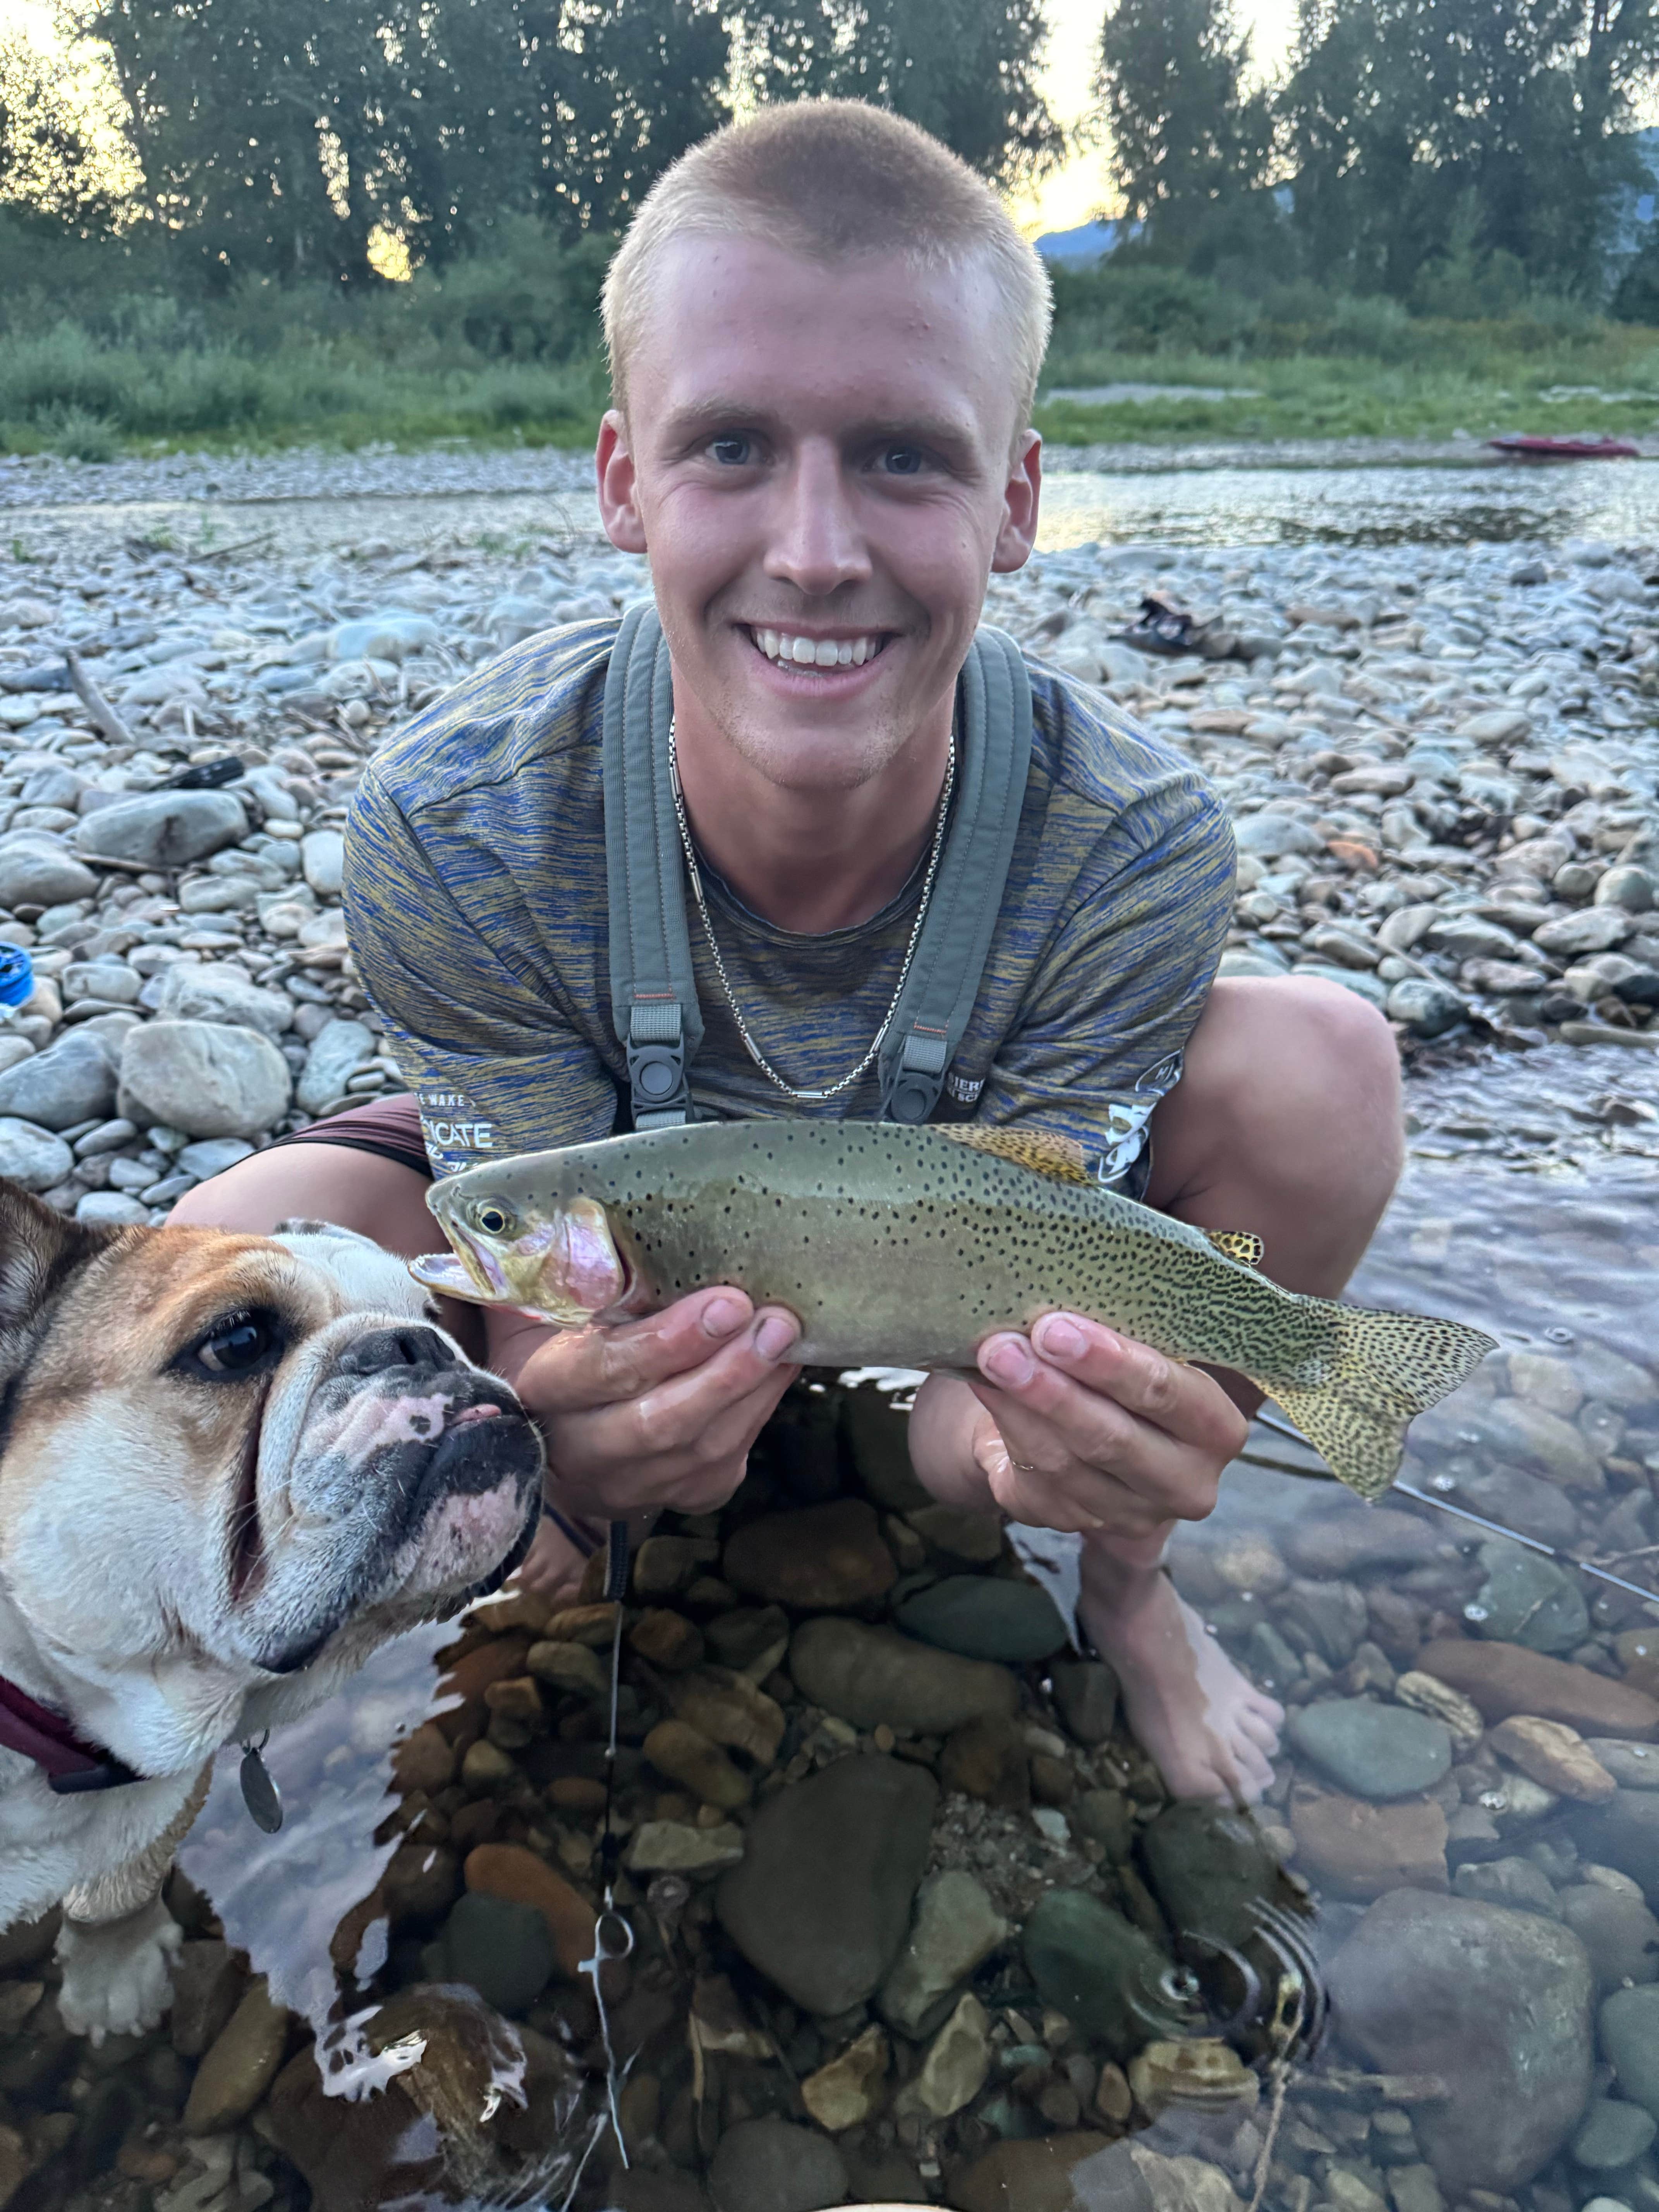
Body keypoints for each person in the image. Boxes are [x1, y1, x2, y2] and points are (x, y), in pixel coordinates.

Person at [172, 100, 1403, 1806]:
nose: (816, 553)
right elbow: (521, 1256)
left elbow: (999, 1345)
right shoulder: (450, 823)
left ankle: (1136, 1590)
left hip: (962, 1249)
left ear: (1016, 502)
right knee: (197, 1275)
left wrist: (1040, 1450)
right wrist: (566, 1422)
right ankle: (549, 1535)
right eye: (731, 447)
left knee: (1324, 1067)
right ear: (623, 483)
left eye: (904, 454)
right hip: (608, 1185)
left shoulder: (1135, 838)